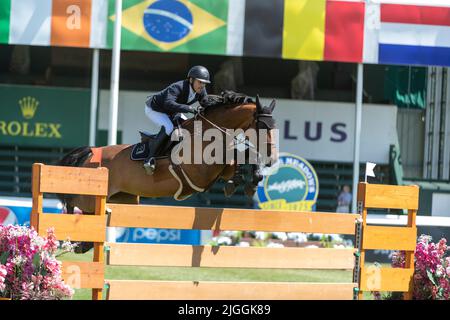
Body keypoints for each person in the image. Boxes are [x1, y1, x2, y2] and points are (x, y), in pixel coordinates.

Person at [143, 65, 210, 174]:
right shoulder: (178, 87)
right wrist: (188, 108)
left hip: (172, 112)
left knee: (186, 126)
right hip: (155, 109)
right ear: (191, 80)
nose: (202, 86)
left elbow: (206, 103)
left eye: (204, 83)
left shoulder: (201, 90)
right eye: (200, 82)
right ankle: (149, 159)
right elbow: (168, 103)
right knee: (169, 128)